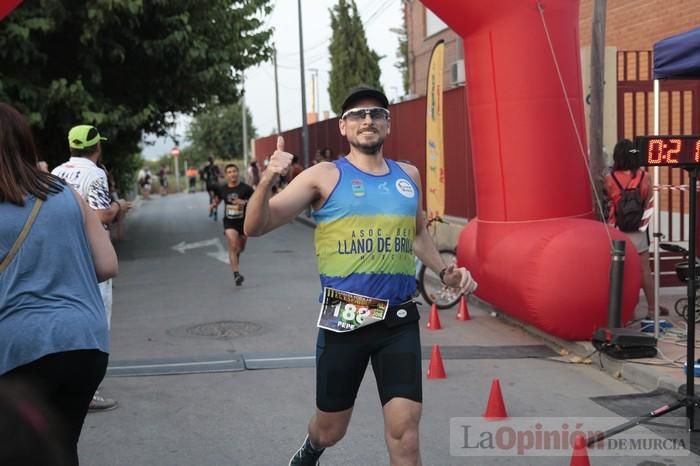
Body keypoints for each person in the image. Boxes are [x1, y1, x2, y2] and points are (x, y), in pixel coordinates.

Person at [244, 85, 477, 466]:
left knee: (406, 433)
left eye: (375, 113)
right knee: (331, 429)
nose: (366, 120)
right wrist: (269, 177)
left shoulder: (409, 175)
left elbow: (417, 233)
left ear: (388, 122)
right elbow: (256, 226)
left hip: (399, 317)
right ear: (343, 126)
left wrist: (445, 272)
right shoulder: (323, 176)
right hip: (346, 313)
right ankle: (312, 447)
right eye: (357, 114)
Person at [0, 103, 118, 465]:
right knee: (60, 448)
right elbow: (107, 264)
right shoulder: (66, 194)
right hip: (85, 344)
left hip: (20, 350)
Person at [52, 124, 129, 412]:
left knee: (66, 318)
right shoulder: (94, 173)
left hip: (61, 257)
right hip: (89, 257)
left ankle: (59, 385)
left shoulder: (56, 173)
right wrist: (119, 206)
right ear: (97, 147)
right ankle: (87, 392)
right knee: (97, 322)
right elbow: (100, 215)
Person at [604, 138, 669, 320]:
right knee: (644, 271)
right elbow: (648, 202)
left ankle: (627, 312)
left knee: (620, 272)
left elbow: (607, 200)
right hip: (638, 230)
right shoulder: (645, 176)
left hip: (616, 229)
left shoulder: (609, 179)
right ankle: (652, 309)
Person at [211, 163, 255, 286]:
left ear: (238, 173)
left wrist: (244, 202)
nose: (232, 174)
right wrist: (213, 204)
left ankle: (237, 255)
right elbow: (218, 199)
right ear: (226, 175)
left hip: (244, 222)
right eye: (229, 172)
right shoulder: (223, 189)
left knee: (241, 248)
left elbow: (255, 201)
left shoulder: (246, 188)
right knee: (233, 245)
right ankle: (236, 274)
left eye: (234, 171)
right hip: (229, 222)